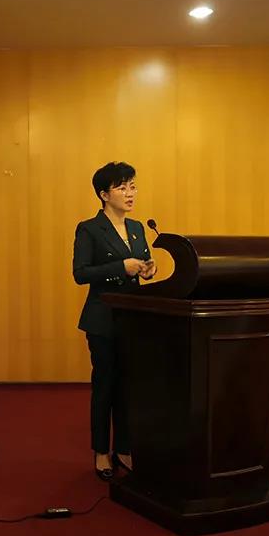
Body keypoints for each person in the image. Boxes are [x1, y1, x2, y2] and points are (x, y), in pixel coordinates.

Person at [72, 162, 156, 481]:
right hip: (103, 320)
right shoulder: (89, 229)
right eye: (122, 188)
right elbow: (81, 273)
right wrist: (121, 267)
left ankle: (123, 447)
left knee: (128, 388)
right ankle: (100, 452)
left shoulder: (137, 227)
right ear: (104, 195)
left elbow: (141, 264)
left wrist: (148, 269)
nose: (130, 193)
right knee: (105, 386)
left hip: (133, 320)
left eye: (132, 186)